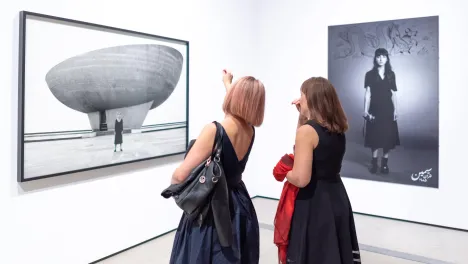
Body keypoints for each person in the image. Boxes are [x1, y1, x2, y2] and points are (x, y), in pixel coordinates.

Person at [168, 70, 265, 264]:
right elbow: (237, 109)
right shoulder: (249, 130)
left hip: (213, 207)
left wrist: (175, 188)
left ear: (235, 98)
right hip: (239, 204)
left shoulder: (214, 130)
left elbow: (181, 175)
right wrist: (228, 83)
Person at [285, 77, 361, 264]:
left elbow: (301, 178)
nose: (299, 99)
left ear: (311, 99)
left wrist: (284, 172)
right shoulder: (337, 128)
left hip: (314, 202)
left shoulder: (307, 132)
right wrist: (302, 117)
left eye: (302, 95)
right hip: (337, 197)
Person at [363, 48, 400, 174]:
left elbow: (393, 94)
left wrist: (395, 110)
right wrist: (365, 111)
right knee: (375, 136)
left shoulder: (391, 74)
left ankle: (384, 164)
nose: (381, 59)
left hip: (388, 109)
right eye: (378, 56)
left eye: (383, 56)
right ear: (375, 58)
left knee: (388, 137)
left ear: (387, 58)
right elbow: (367, 94)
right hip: (374, 109)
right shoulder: (369, 74)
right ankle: (374, 163)